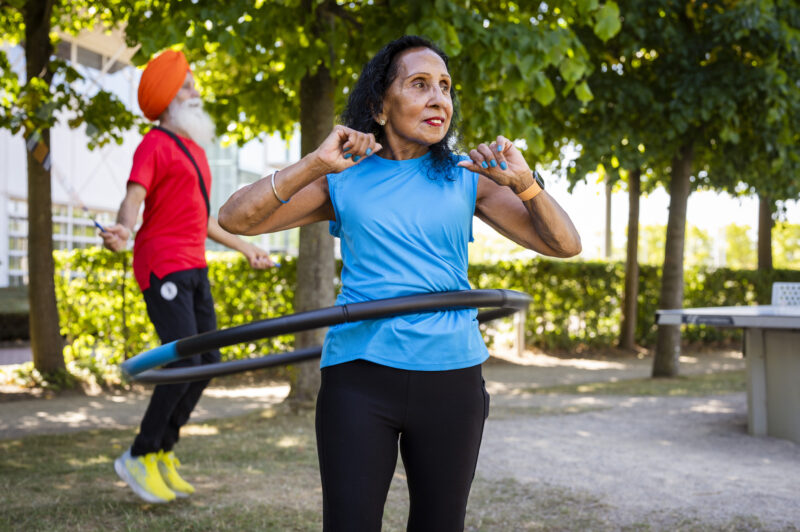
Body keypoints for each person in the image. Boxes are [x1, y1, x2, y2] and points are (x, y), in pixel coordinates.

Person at [218, 35, 581, 531]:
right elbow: (236, 219)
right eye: (420, 85)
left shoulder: (468, 176)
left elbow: (565, 244)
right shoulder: (343, 175)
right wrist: (316, 163)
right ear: (379, 106)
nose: (439, 99)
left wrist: (527, 185)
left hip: (452, 376)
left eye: (446, 87)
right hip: (359, 375)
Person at [101, 49, 274, 504]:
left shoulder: (195, 150)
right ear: (168, 98)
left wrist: (246, 247)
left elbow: (203, 219)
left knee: (207, 362)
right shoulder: (154, 144)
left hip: (195, 264)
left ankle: (162, 452)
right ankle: (138, 455)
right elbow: (133, 198)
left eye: (193, 83)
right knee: (182, 365)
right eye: (187, 85)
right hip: (162, 265)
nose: (196, 91)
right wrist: (123, 229)